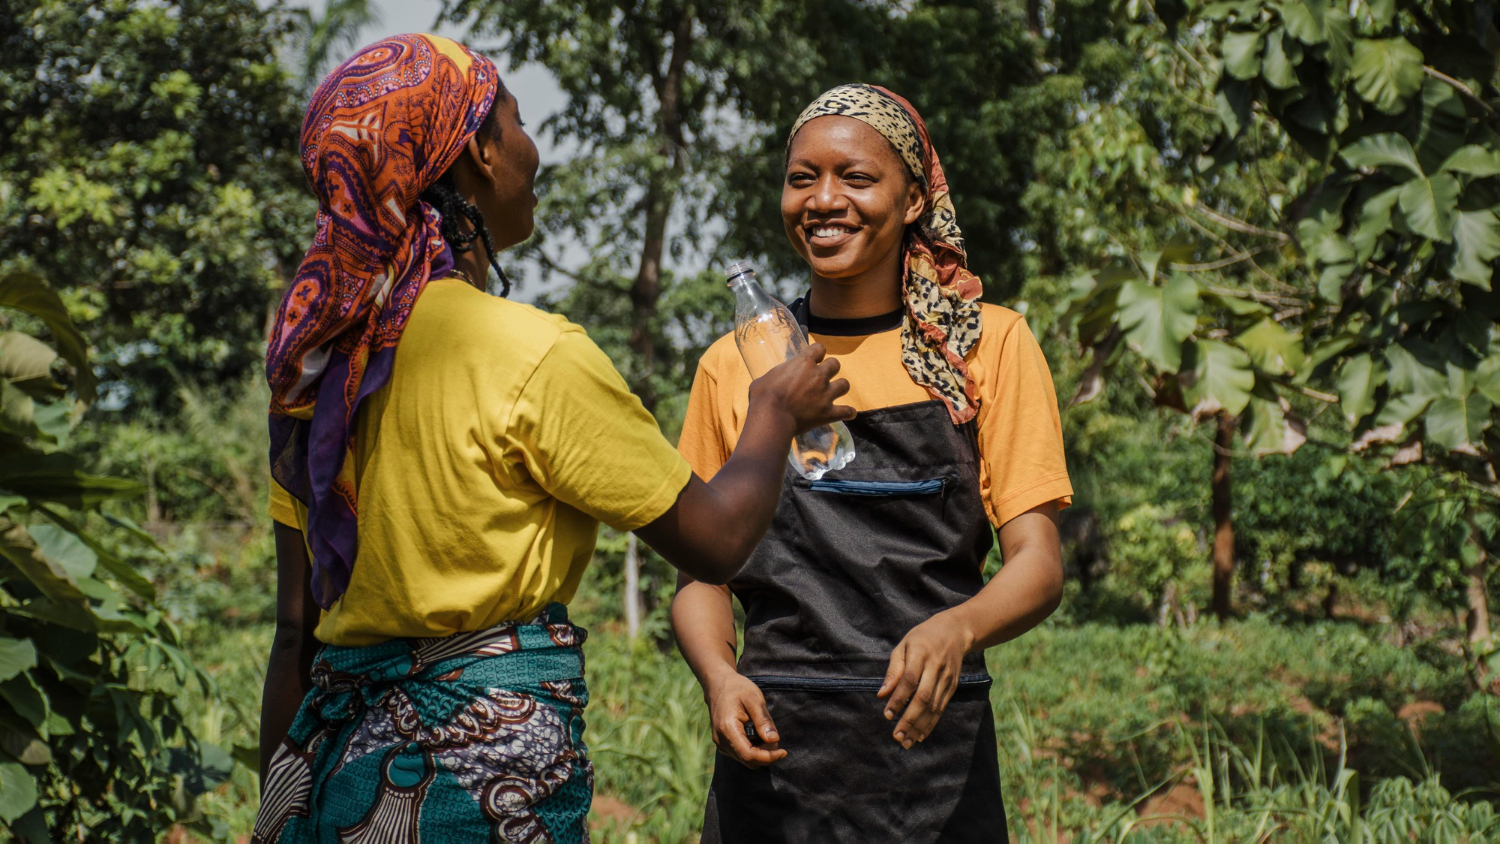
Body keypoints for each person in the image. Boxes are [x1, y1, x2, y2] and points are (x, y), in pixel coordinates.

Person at [253, 35, 853, 843]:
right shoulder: (527, 352)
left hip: (339, 783)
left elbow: (296, 631)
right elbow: (714, 543)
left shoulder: (314, 369)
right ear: (476, 153)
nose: (535, 152)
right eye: (518, 121)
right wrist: (775, 411)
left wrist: (279, 807)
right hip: (483, 782)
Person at [671, 83, 1073, 842]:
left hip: (931, 751)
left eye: (856, 177)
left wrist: (957, 630)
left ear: (915, 199)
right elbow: (702, 576)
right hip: (774, 755)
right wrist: (720, 677)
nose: (824, 200)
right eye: (802, 178)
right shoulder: (735, 366)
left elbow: (1039, 563)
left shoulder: (986, 347)